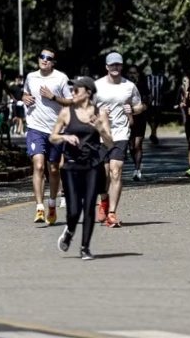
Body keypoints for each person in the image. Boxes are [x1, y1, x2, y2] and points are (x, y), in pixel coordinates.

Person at [51, 77, 114, 260]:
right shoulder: (66, 112)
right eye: (72, 91)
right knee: (73, 211)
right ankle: (70, 230)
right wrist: (65, 137)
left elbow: (109, 143)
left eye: (75, 91)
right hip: (71, 166)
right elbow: (52, 137)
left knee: (88, 208)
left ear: (88, 92)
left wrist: (100, 128)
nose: (72, 94)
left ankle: (85, 247)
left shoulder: (100, 113)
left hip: (92, 165)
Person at [22, 48, 74, 225]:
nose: (44, 60)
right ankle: (39, 208)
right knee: (38, 165)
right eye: (41, 56)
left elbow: (70, 101)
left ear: (53, 62)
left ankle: (52, 204)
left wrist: (53, 97)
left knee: (53, 169)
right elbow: (26, 93)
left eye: (48, 58)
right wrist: (25, 97)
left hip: (55, 130)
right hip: (35, 127)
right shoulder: (31, 77)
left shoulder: (60, 78)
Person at [94, 52, 144, 227]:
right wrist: (98, 116)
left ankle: (113, 213)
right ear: (107, 67)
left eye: (118, 65)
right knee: (103, 175)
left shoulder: (129, 86)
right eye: (112, 65)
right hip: (101, 134)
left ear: (121, 66)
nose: (115, 68)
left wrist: (132, 109)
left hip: (120, 134)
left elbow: (139, 106)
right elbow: (86, 108)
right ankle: (104, 200)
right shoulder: (97, 86)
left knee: (117, 171)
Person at [125, 66, 149, 181]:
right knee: (131, 146)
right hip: (126, 118)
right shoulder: (124, 86)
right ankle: (138, 163)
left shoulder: (142, 85)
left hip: (140, 117)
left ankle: (137, 170)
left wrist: (144, 106)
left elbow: (148, 98)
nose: (132, 75)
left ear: (138, 74)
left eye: (134, 73)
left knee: (137, 144)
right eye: (130, 73)